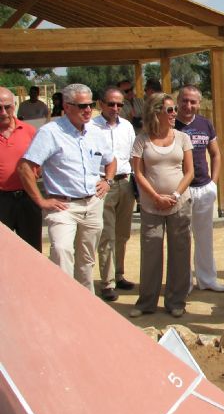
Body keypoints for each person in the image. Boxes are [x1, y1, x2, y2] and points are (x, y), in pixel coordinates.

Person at [18, 84, 115, 292]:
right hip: (63, 206)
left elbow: (110, 160)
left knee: (87, 260)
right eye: (82, 106)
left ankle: (85, 307)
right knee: (62, 253)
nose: (88, 110)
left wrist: (108, 180)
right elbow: (26, 167)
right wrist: (41, 200)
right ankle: (64, 306)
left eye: (89, 105)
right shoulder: (50, 132)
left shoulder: (96, 133)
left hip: (92, 204)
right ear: (67, 106)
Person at [129, 93, 194, 319]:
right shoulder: (142, 140)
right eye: (169, 109)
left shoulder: (182, 138)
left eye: (174, 108)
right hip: (150, 205)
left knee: (180, 252)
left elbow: (190, 171)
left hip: (180, 204)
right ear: (156, 112)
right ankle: (146, 302)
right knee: (151, 253)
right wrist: (156, 196)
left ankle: (176, 301)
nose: (175, 113)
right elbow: (138, 172)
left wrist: (175, 194)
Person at [175, 84, 224, 292]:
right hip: (180, 191)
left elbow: (216, 153)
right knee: (182, 238)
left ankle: (207, 280)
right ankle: (184, 282)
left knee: (204, 236)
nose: (188, 105)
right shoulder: (170, 125)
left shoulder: (205, 124)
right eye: (184, 101)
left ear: (199, 103)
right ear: (178, 102)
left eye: (193, 101)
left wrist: (213, 182)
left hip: (203, 188)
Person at [92, 86, 137, 302]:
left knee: (123, 233)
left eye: (120, 104)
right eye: (111, 103)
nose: (116, 108)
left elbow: (131, 156)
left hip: (125, 182)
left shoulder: (127, 127)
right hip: (103, 184)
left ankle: (119, 275)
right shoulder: (91, 127)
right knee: (107, 235)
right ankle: (107, 282)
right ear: (101, 104)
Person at [0, 87, 41, 251]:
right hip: (1, 200)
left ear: (15, 105)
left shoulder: (29, 131)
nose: (3, 112)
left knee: (32, 250)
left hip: (28, 198)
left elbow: (42, 158)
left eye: (7, 107)